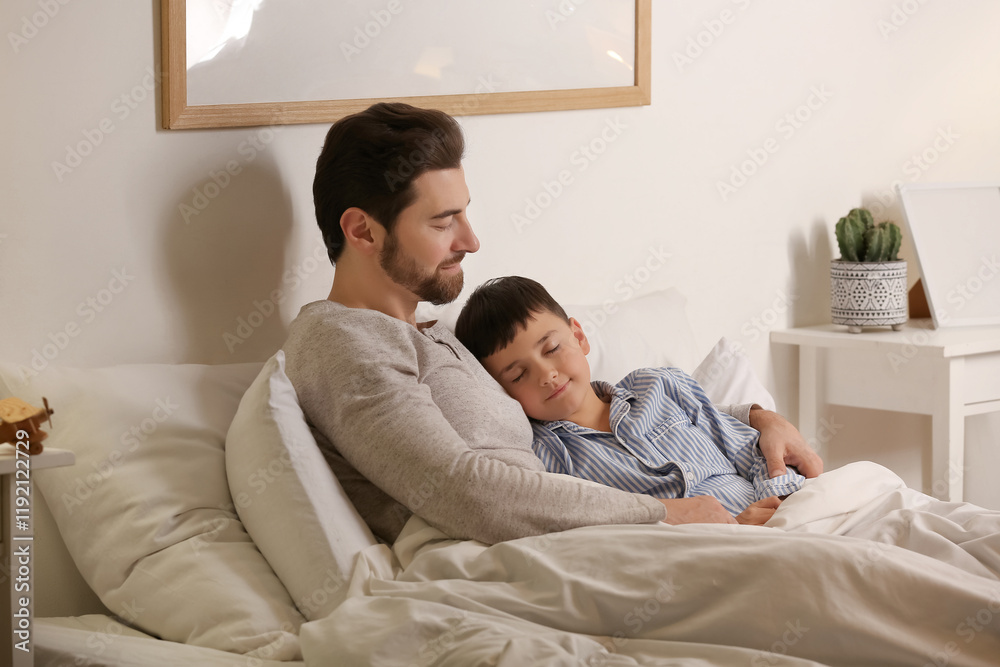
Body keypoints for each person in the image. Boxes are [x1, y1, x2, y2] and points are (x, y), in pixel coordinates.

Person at [282, 101, 823, 546]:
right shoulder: (343, 342)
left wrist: (756, 418)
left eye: (465, 213)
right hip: (552, 558)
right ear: (362, 231)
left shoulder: (433, 332)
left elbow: (600, 406)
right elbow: (460, 490)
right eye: (444, 221)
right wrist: (667, 515)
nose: (471, 241)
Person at [453, 275, 808, 525]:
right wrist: (734, 528)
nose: (546, 374)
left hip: (790, 513)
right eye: (518, 375)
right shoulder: (546, 455)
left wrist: (780, 502)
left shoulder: (660, 386)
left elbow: (749, 449)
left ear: (579, 336)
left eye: (552, 348)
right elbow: (585, 523)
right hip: (712, 550)